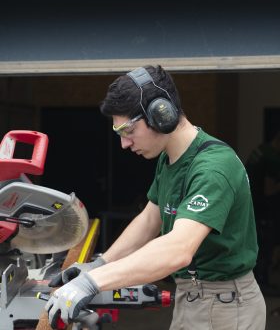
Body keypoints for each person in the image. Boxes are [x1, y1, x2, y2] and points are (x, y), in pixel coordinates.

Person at [45, 65, 266, 330]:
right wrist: (99, 264)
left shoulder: (214, 168)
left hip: (226, 305)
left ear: (162, 114)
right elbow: (151, 218)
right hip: (192, 296)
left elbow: (178, 250)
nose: (124, 144)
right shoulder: (170, 159)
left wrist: (92, 282)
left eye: (127, 131)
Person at [245, 128, 280, 287]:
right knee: (265, 244)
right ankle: (262, 281)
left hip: (248, 204)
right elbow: (269, 188)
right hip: (262, 207)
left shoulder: (260, 149)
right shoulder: (273, 157)